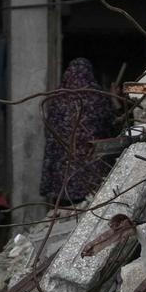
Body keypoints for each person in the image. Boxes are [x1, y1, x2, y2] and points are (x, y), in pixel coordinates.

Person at [40, 58, 115, 205]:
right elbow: (109, 126)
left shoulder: (58, 98)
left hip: (63, 167)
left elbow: (49, 132)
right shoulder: (97, 97)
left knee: (63, 207)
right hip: (90, 167)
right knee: (89, 206)